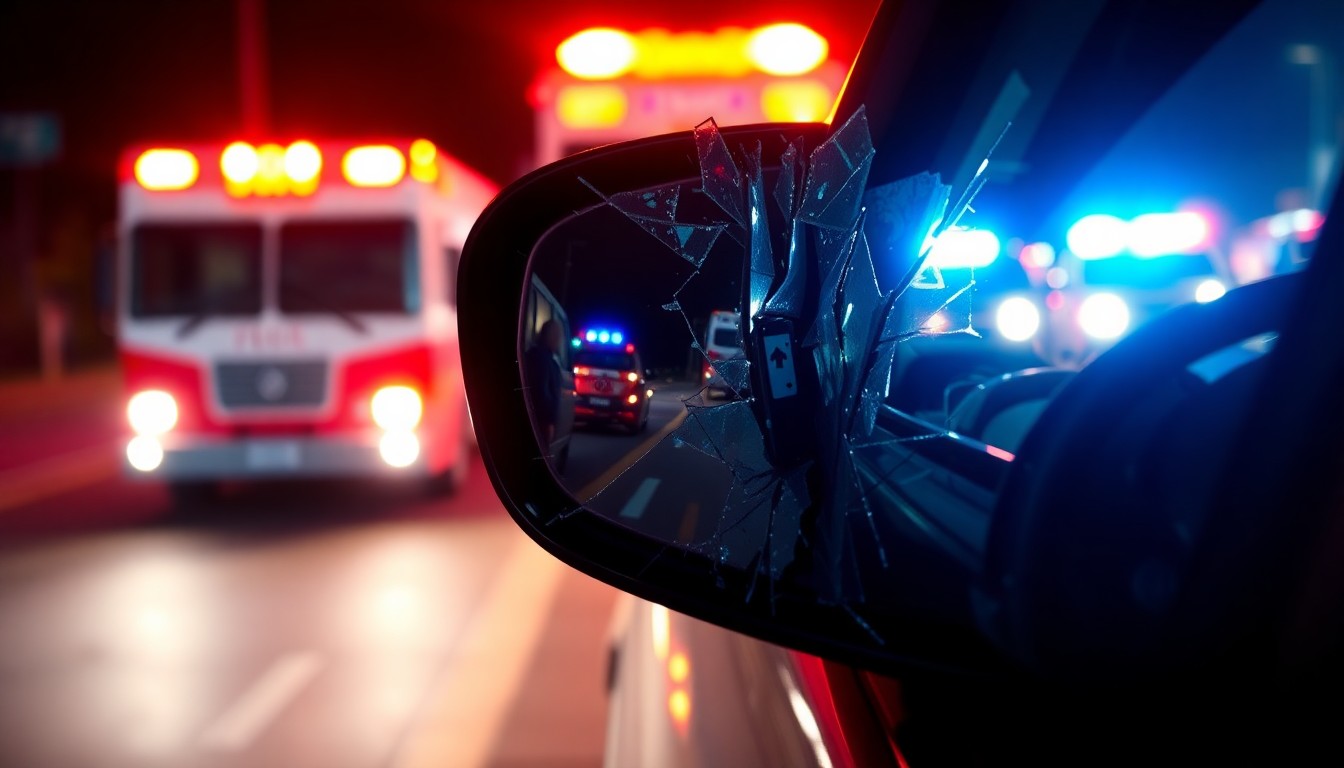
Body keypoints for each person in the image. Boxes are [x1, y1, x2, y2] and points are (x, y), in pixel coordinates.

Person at [524, 319, 563, 446]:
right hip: (541, 422)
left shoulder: (542, 356)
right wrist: (549, 421)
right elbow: (542, 392)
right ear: (551, 336)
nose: (559, 340)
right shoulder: (541, 359)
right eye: (557, 335)